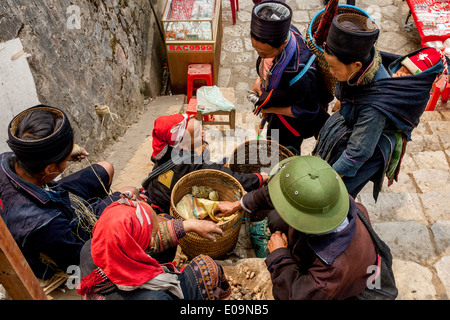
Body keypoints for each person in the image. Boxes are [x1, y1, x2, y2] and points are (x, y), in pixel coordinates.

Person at [214, 156, 392, 300]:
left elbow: (295, 296)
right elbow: (279, 191)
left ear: (308, 221)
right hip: (316, 250)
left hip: (342, 287)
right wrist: (240, 204)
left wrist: (279, 256)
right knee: (275, 219)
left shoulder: (334, 268)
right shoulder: (331, 198)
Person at [312, 14, 444, 200]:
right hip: (354, 128)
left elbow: (357, 153)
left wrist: (326, 181)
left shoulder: (374, 108)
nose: (331, 72)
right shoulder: (363, 65)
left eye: (334, 68)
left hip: (366, 149)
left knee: (337, 197)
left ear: (356, 65)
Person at [0, 105, 139, 280]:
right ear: (49, 168)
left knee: (106, 168)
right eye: (64, 159)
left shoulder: (7, 161)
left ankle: (104, 209)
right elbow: (79, 261)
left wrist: (62, 153)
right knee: (130, 193)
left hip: (52, 197)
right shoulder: (44, 225)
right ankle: (106, 220)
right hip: (60, 223)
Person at [78, 196, 231, 300]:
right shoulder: (156, 297)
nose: (152, 243)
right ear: (133, 245)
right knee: (208, 268)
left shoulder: (92, 247)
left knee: (167, 220)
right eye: (149, 237)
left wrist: (189, 224)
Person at [247, 1, 333, 155]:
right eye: (256, 50)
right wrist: (259, 80)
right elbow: (267, 64)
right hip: (276, 114)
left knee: (283, 155)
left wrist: (270, 108)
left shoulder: (301, 74)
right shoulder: (287, 31)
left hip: (289, 126)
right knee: (271, 148)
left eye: (265, 53)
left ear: (283, 43)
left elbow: (308, 111)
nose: (261, 55)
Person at [143, 114, 268, 214]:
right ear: (183, 145)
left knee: (220, 160)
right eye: (197, 134)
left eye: (201, 128)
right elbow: (224, 175)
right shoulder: (191, 164)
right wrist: (258, 178)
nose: (203, 132)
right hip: (165, 206)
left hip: (154, 190)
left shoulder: (165, 150)